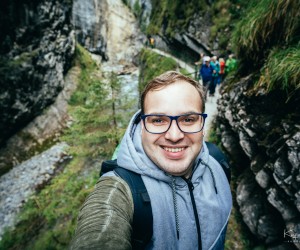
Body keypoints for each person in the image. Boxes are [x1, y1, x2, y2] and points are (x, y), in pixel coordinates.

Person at [70, 71, 232, 250]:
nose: (174, 136)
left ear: (202, 125)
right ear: (141, 126)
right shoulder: (121, 190)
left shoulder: (217, 162)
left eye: (188, 119)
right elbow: (101, 226)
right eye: (158, 120)